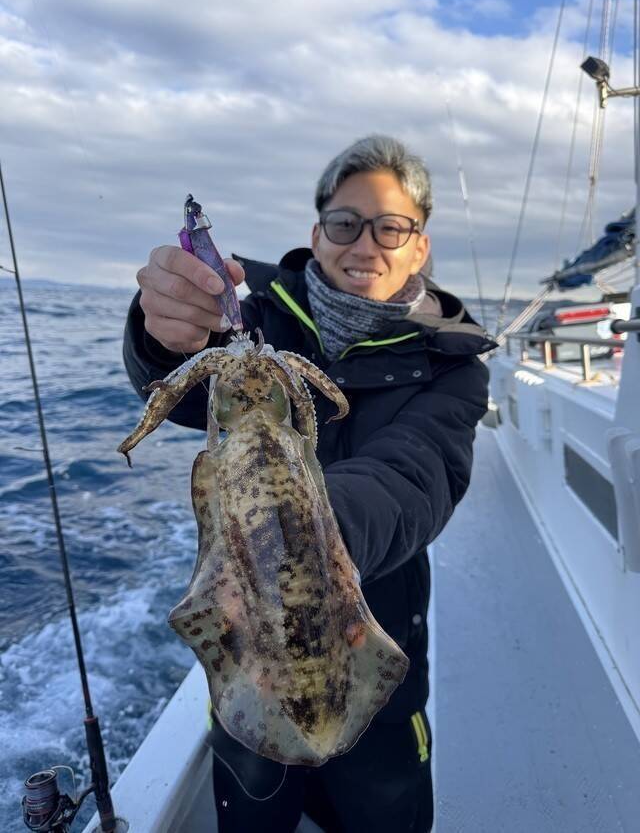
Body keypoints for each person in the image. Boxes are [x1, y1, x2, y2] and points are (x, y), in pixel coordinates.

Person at [123, 135, 496, 832]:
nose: (365, 244)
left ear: (420, 246)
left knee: (385, 806)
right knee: (254, 805)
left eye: (392, 227)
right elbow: (182, 376)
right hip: (243, 634)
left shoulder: (455, 361)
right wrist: (161, 333)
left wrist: (298, 524)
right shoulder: (254, 314)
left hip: (376, 634)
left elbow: (416, 477)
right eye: (344, 223)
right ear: (316, 232)